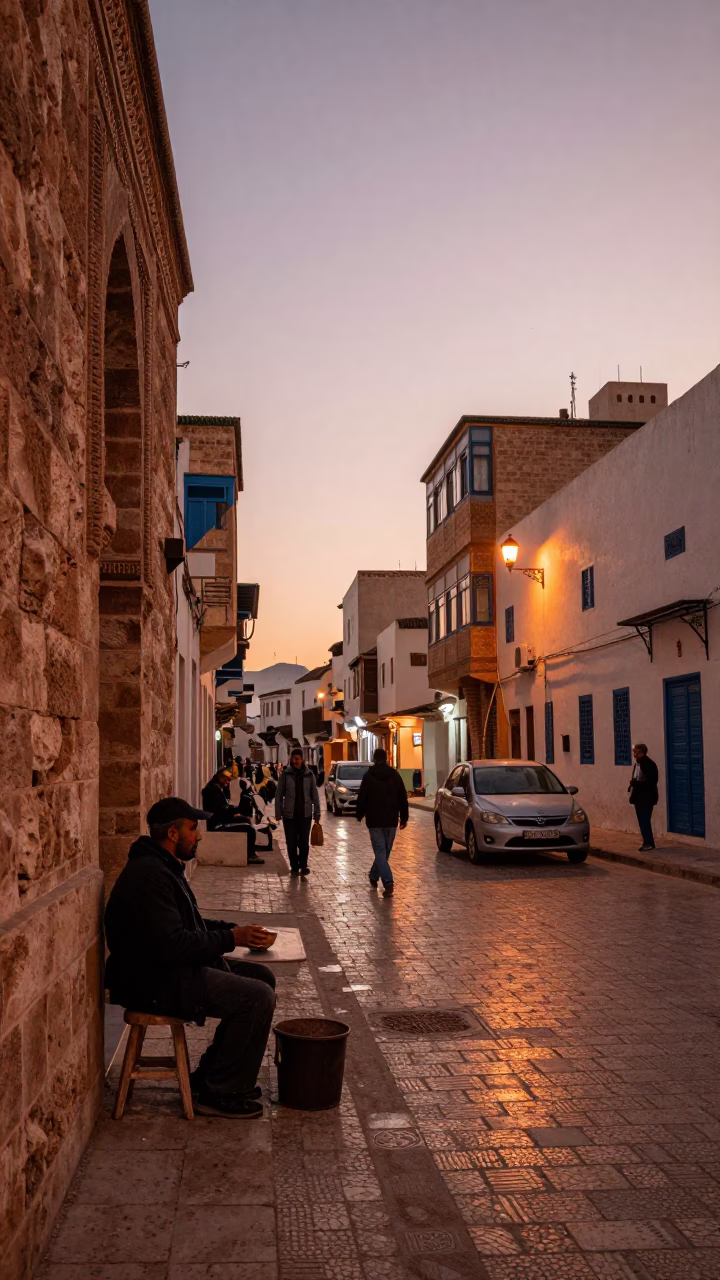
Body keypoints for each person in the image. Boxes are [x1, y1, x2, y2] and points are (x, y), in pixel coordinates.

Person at [105, 797, 277, 1118]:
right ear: (173, 834)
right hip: (153, 981)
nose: (198, 835)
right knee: (257, 997)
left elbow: (188, 924)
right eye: (193, 828)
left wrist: (234, 930)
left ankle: (212, 1075)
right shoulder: (149, 875)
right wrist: (232, 939)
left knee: (261, 977)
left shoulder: (163, 866)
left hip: (167, 969)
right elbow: (174, 944)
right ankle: (219, 1092)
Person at [355, 748, 409, 897]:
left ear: (374, 759)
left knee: (380, 852)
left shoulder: (368, 776)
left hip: (374, 821)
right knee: (384, 852)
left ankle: (381, 878)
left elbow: (362, 797)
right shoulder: (394, 776)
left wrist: (359, 813)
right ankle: (382, 880)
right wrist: (404, 817)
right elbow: (402, 797)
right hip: (391, 820)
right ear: (386, 759)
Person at [201, 769, 267, 862]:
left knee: (246, 820)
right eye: (227, 779)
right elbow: (220, 811)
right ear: (220, 777)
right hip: (217, 823)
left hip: (220, 819)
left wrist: (234, 810)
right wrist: (236, 810)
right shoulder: (212, 790)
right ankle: (250, 855)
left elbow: (223, 808)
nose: (228, 782)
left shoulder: (215, 788)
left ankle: (250, 852)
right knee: (249, 829)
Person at [275, 747, 320, 877]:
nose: (295, 761)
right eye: (293, 759)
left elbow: (314, 795)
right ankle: (294, 866)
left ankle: (303, 865)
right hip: (289, 815)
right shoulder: (285, 775)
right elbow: (279, 795)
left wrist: (317, 813)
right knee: (291, 843)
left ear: (301, 760)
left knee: (304, 843)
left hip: (305, 815)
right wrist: (278, 813)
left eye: (297, 759)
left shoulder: (309, 775)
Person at [628, 742, 659, 852]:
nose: (634, 753)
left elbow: (650, 782)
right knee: (642, 821)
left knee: (644, 820)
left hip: (646, 797)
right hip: (639, 797)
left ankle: (648, 843)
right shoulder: (638, 764)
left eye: (635, 751)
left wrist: (637, 783)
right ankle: (647, 841)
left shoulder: (648, 765)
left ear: (641, 752)